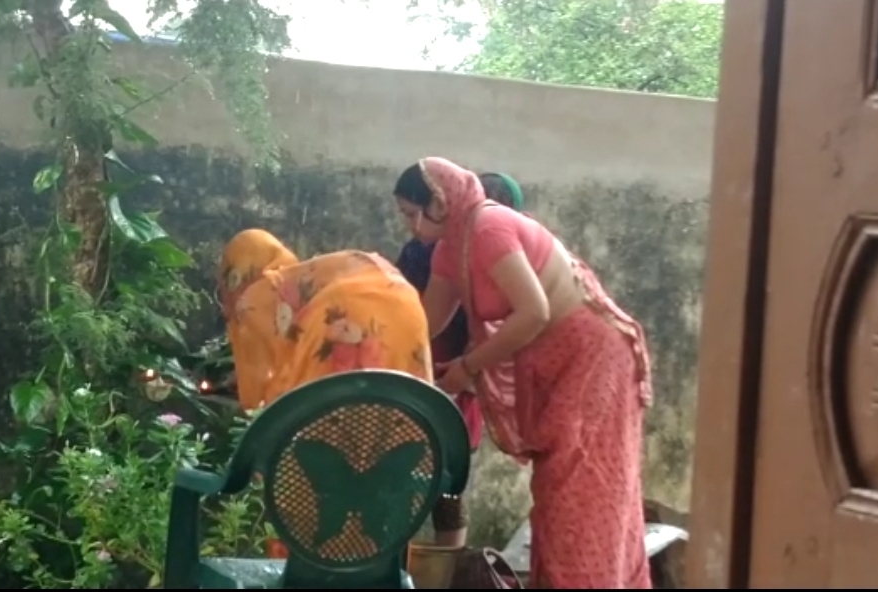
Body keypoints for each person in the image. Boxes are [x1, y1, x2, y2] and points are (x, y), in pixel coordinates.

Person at [391, 158, 654, 589]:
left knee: (581, 494)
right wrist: (374, 333)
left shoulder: (488, 230)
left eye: (411, 213)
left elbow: (535, 312)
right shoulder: (449, 249)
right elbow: (424, 323)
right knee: (553, 493)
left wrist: (468, 367)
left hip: (592, 356)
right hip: (553, 363)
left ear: (439, 202)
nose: (409, 226)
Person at [393, 171, 525, 549]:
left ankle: (424, 568)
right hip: (438, 377)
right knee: (436, 486)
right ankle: (426, 568)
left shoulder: (492, 253)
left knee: (425, 485)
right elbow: (418, 319)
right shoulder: (434, 253)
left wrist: (467, 368)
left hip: (446, 379)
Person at [216, 228, 433, 411]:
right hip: (405, 301)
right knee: (400, 408)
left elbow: (259, 388)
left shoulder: (252, 299)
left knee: (318, 414)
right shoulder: (302, 277)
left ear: (233, 274)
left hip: (349, 308)